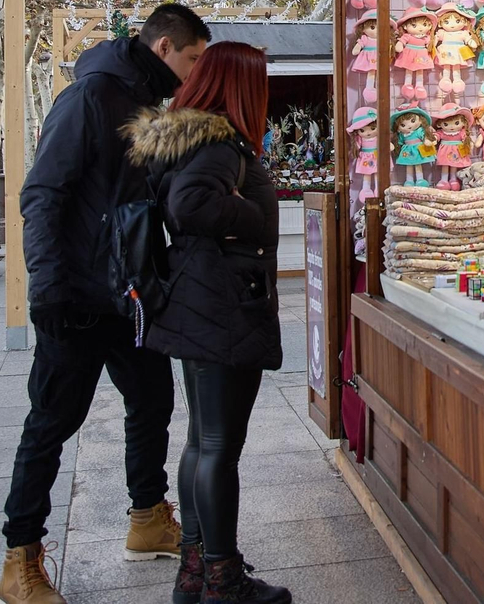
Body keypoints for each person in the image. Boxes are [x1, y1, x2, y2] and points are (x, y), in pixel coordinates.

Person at [0, 4, 210, 604]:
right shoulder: (91, 95)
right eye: (193, 58)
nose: (195, 71)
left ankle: (146, 519)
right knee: (52, 424)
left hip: (130, 295)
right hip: (77, 296)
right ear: (165, 46)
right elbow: (42, 192)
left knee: (152, 401)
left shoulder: (147, 100)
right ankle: (19, 560)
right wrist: (47, 288)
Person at [125, 41, 290, 604]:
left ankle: (195, 572)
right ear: (243, 84)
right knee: (218, 445)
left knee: (202, 442)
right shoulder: (222, 141)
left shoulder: (192, 137)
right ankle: (223, 578)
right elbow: (191, 206)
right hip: (221, 306)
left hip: (199, 302)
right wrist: (260, 215)